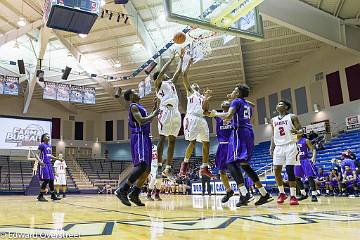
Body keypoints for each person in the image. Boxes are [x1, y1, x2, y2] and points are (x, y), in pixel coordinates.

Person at [210, 84, 273, 207]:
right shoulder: (245, 103)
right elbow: (252, 105)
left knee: (230, 162)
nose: (232, 92)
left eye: (234, 90)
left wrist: (215, 114)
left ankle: (244, 193)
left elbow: (228, 115)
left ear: (238, 94)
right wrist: (236, 97)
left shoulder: (236, 101)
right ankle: (264, 193)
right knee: (244, 164)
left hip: (239, 132)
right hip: (248, 132)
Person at [115, 89, 160, 207]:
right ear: (131, 96)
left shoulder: (140, 107)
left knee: (147, 170)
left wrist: (155, 107)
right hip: (139, 136)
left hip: (145, 137)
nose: (138, 92)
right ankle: (123, 190)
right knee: (142, 165)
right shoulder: (133, 106)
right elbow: (141, 120)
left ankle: (134, 193)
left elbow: (148, 119)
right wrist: (154, 114)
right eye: (135, 91)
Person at [178, 58, 213, 178]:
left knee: (206, 143)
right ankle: (185, 165)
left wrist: (207, 98)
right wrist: (187, 63)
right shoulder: (190, 92)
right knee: (192, 142)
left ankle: (204, 167)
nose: (194, 84)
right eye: (193, 84)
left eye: (196, 84)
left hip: (202, 119)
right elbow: (184, 76)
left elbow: (205, 109)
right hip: (191, 118)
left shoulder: (202, 96)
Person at [153, 50, 184, 178]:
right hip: (165, 111)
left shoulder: (170, 82)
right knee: (162, 138)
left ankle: (169, 167)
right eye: (163, 75)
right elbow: (161, 73)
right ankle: (159, 166)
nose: (166, 76)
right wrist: (170, 59)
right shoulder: (158, 84)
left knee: (172, 141)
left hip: (176, 112)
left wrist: (181, 59)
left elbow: (178, 72)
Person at [270, 100, 303, 205]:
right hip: (278, 147)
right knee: (276, 170)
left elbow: (301, 130)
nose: (278, 105)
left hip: (290, 145)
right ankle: (282, 193)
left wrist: (297, 132)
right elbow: (273, 134)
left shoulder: (292, 117)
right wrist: (271, 147)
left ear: (286, 107)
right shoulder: (273, 120)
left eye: (280, 104)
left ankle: (293, 196)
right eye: (277, 103)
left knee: (289, 170)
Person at [34, 133, 62, 202]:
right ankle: (40, 196)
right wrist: (40, 161)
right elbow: (36, 154)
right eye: (46, 136)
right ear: (43, 138)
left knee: (52, 179)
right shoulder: (42, 145)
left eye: (49, 136)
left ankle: (53, 195)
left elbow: (50, 155)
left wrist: (57, 158)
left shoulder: (49, 146)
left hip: (49, 164)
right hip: (44, 164)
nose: (48, 137)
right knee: (46, 179)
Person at [294, 133, 318, 202]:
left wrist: (313, 157)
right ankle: (304, 194)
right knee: (296, 178)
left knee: (309, 177)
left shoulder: (306, 140)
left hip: (305, 160)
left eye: (296, 132)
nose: (295, 133)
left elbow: (313, 150)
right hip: (297, 161)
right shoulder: (292, 142)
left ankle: (314, 195)